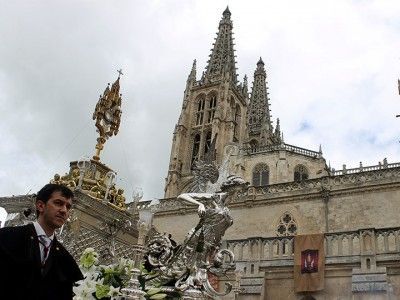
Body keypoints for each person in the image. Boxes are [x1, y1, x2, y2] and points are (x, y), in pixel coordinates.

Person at [0, 184, 84, 300]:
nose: (64, 210)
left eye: (68, 207)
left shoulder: (66, 261)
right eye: (58, 203)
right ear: (40, 205)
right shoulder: (6, 237)